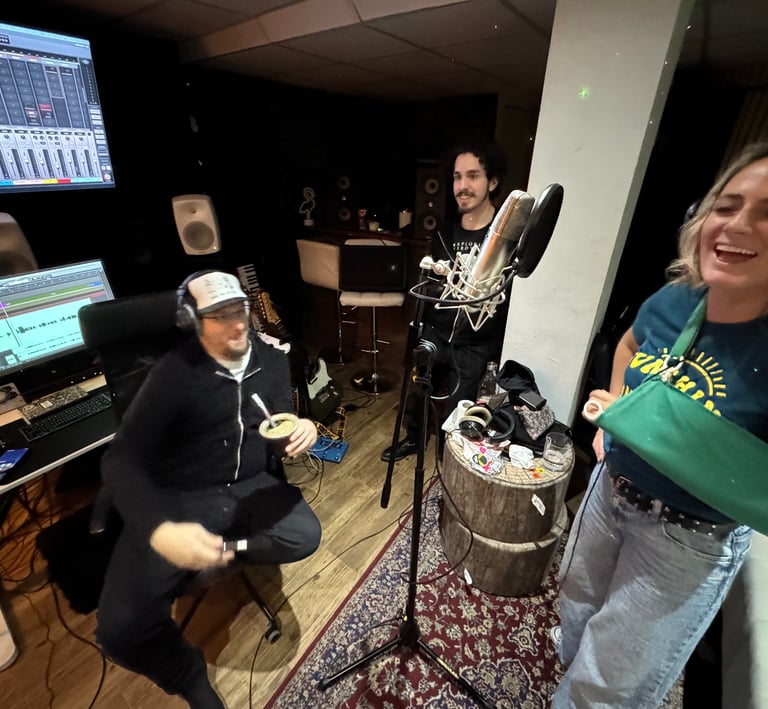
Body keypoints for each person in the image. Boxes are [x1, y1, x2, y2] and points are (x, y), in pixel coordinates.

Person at [552, 141, 768, 707]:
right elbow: (628, 343)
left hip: (688, 540)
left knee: (607, 683)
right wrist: (612, 418)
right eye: (727, 206)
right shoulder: (675, 299)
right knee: (575, 609)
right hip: (608, 493)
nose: (737, 225)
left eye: (767, 213)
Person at [96, 271, 322, 709]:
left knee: (304, 536)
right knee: (119, 631)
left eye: (239, 310)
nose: (236, 325)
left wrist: (302, 429)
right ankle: (186, 673)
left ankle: (219, 555)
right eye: (219, 316)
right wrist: (161, 530)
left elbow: (278, 422)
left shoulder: (273, 359)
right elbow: (120, 459)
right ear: (192, 320)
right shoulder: (172, 374)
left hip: (251, 485)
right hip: (181, 497)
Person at [381, 139, 508, 461]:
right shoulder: (443, 233)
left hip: (475, 343)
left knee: (458, 413)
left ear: (492, 182)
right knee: (419, 394)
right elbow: (431, 285)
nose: (462, 186)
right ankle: (414, 439)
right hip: (436, 332)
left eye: (473, 176)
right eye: (457, 177)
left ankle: (447, 461)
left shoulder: (505, 240)